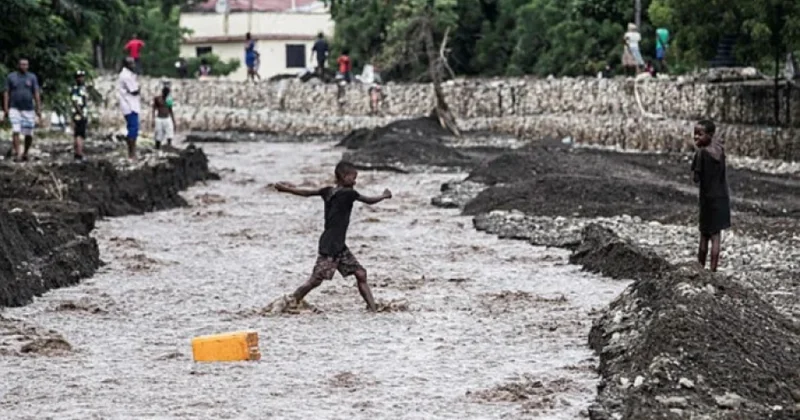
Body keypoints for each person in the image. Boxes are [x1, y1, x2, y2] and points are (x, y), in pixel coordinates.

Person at [273, 161, 393, 312]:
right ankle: (290, 301)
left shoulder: (328, 191)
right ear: (343, 176)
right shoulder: (349, 194)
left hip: (338, 245)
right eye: (352, 177)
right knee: (315, 280)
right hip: (331, 247)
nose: (355, 181)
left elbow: (307, 193)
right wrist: (384, 195)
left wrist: (287, 189)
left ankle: (373, 309)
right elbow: (369, 200)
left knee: (360, 274)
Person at [691, 119, 730, 273]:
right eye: (695, 134)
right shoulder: (720, 150)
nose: (695, 138)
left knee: (704, 235)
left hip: (707, 200)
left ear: (710, 135)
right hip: (722, 198)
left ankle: (700, 269)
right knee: (716, 236)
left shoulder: (701, 153)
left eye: (699, 134)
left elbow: (696, 178)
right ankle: (713, 270)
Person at [2, 58, 41, 162]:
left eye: (26, 65)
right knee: (16, 130)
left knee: (29, 133)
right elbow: (6, 92)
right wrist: (5, 108)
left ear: (28, 66)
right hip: (14, 108)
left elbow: (36, 92)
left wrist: (38, 108)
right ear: (18, 65)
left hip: (28, 108)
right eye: (22, 64)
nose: (24, 66)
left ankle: (26, 152)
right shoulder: (11, 77)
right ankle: (18, 153)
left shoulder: (32, 77)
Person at [118, 57, 141, 160]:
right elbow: (134, 90)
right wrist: (139, 88)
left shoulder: (129, 75)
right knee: (133, 129)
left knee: (133, 129)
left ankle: (132, 153)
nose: (133, 65)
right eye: (131, 63)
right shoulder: (126, 76)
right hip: (129, 105)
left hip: (131, 104)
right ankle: (131, 154)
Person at [70, 70, 89, 162]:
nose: (81, 78)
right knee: (79, 134)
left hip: (83, 113)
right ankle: (79, 153)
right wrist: (80, 113)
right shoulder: (75, 89)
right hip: (79, 114)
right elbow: (75, 102)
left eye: (82, 76)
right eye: (79, 77)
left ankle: (78, 151)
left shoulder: (83, 88)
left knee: (80, 133)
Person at [152, 85, 176, 150]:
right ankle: (157, 148)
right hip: (159, 118)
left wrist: (173, 121)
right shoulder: (157, 99)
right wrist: (153, 119)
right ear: (163, 92)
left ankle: (169, 146)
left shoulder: (169, 99)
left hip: (167, 118)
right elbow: (154, 109)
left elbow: (170, 110)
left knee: (169, 132)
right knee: (158, 133)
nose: (166, 94)